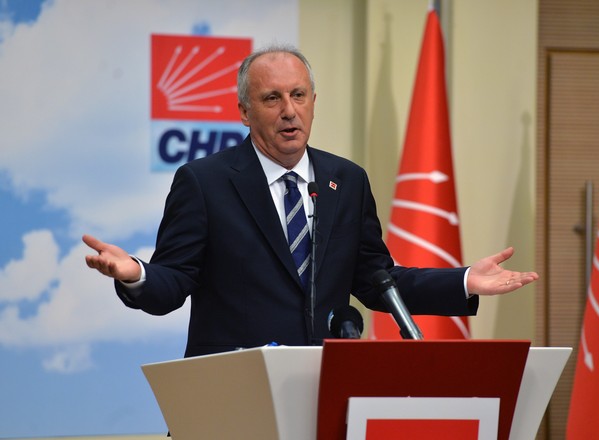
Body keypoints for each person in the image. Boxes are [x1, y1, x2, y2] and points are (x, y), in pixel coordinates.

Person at [83, 45, 538, 357]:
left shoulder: (347, 180)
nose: (289, 110)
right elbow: (173, 284)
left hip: (322, 389)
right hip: (233, 393)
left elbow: (377, 280)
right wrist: (136, 274)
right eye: (272, 98)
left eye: (298, 95)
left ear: (313, 102)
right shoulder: (204, 183)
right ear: (244, 112)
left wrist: (464, 281)